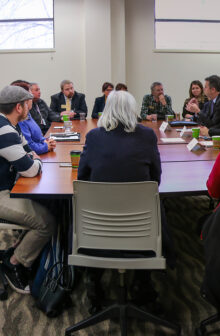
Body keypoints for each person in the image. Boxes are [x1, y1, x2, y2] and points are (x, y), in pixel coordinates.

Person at [76, 90, 163, 309]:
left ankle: (94, 283)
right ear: (132, 110)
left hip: (96, 225)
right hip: (141, 225)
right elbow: (156, 178)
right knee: (158, 210)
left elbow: (82, 179)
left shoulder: (94, 137)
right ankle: (142, 284)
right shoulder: (147, 136)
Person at [0, 85, 56, 294]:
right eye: (27, 104)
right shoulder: (4, 130)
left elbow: (29, 152)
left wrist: (33, 160)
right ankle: (14, 263)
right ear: (19, 107)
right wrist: (36, 163)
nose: (30, 107)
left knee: (47, 207)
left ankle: (20, 252)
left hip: (3, 189)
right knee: (46, 223)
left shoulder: (10, 125)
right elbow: (30, 169)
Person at [11, 80, 56, 155]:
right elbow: (28, 147)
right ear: (24, 100)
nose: (31, 99)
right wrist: (46, 146)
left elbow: (37, 137)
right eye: (30, 96)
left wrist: (47, 141)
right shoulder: (20, 118)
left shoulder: (27, 113)